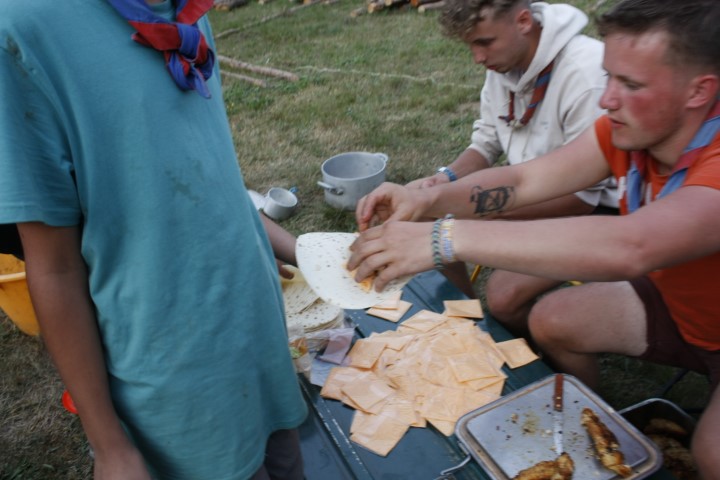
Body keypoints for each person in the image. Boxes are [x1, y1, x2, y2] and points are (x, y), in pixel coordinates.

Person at [348, 0, 720, 475]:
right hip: (683, 306)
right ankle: (595, 430)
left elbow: (632, 245)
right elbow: (525, 181)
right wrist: (428, 199)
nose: (608, 99)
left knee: (712, 457)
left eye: (631, 84)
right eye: (609, 77)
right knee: (553, 319)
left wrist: (442, 238)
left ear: (699, 91)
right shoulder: (631, 130)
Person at [0, 0, 307, 478]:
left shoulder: (187, 11)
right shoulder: (22, 29)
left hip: (258, 338)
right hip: (177, 382)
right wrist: (109, 446)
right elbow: (54, 267)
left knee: (286, 461)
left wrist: (308, 251)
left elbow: (205, 170)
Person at [406, 0, 617, 323]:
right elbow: (486, 141)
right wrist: (444, 179)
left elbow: (582, 198)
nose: (478, 58)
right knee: (427, 211)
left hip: (599, 209)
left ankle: (515, 347)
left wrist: (480, 209)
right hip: (531, 188)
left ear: (523, 22)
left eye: (484, 42)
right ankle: (465, 323)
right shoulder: (506, 62)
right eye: (471, 46)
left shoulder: (585, 74)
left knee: (503, 296)